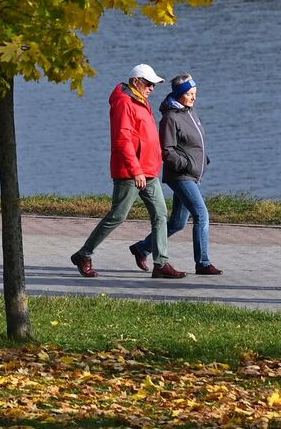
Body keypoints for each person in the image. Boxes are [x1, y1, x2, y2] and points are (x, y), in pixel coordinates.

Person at [71, 64, 186, 279]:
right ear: (136, 82)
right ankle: (83, 254)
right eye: (149, 83)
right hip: (130, 172)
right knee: (118, 215)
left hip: (149, 170)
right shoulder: (124, 102)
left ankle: (161, 264)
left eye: (154, 84)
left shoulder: (141, 101)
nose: (152, 88)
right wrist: (136, 171)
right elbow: (122, 140)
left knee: (160, 215)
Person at [132, 74, 221, 275]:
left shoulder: (191, 112)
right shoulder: (170, 118)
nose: (193, 97)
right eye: (189, 93)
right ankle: (203, 263)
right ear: (179, 94)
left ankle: (142, 248)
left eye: (195, 93)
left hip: (193, 175)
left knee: (177, 222)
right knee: (201, 214)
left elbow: (197, 141)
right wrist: (187, 164)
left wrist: (204, 159)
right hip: (180, 176)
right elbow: (167, 150)